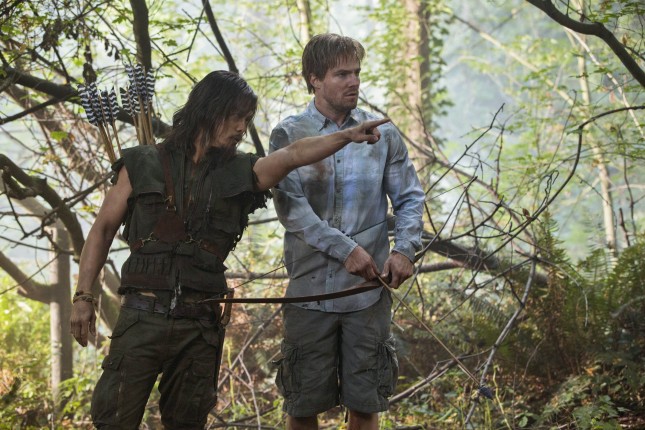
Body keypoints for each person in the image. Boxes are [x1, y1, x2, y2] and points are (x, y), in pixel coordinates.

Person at [69, 70, 389, 430]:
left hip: (200, 328)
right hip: (142, 318)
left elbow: (293, 154)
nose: (241, 128)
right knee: (113, 421)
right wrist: (83, 296)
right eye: (236, 116)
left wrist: (345, 136)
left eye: (247, 120)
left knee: (187, 425)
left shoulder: (243, 170)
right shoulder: (143, 163)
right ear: (209, 109)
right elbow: (102, 230)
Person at [269, 34, 425, 430]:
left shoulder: (383, 134)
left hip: (367, 296)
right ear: (315, 79)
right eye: (341, 74)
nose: (353, 81)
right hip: (308, 293)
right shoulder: (289, 134)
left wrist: (404, 249)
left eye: (356, 72)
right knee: (302, 406)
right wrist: (345, 249)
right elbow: (292, 210)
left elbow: (409, 197)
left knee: (366, 404)